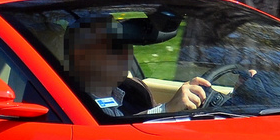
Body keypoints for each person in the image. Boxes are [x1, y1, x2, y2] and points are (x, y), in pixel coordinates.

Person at [66, 17, 211, 116]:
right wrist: (167, 109)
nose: (126, 53)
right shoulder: (68, 101)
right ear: (82, 56)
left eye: (127, 44)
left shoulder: (135, 88)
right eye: (114, 47)